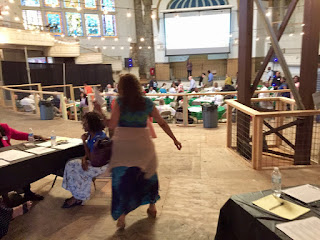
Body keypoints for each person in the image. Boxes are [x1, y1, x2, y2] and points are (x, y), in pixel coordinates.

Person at [108, 73, 182, 229]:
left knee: (123, 179)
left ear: (121, 87)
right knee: (149, 175)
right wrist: (174, 139)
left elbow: (112, 125)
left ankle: (122, 215)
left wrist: (99, 112)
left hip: (123, 147)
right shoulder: (147, 103)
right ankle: (152, 206)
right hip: (143, 145)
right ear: (137, 86)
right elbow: (162, 123)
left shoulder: (119, 103)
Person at [62, 111, 109, 208]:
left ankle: (78, 197)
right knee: (72, 165)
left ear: (92, 124)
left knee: (73, 167)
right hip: (97, 162)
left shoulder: (98, 139)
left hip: (100, 166)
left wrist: (83, 141)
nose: (83, 125)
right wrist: (84, 158)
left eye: (85, 123)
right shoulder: (94, 135)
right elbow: (90, 154)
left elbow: (92, 157)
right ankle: (78, 195)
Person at [0, 124, 47, 203]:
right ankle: (5, 199)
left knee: (24, 165)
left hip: (9, 156)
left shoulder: (4, 127)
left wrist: (35, 136)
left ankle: (27, 192)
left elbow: (17, 135)